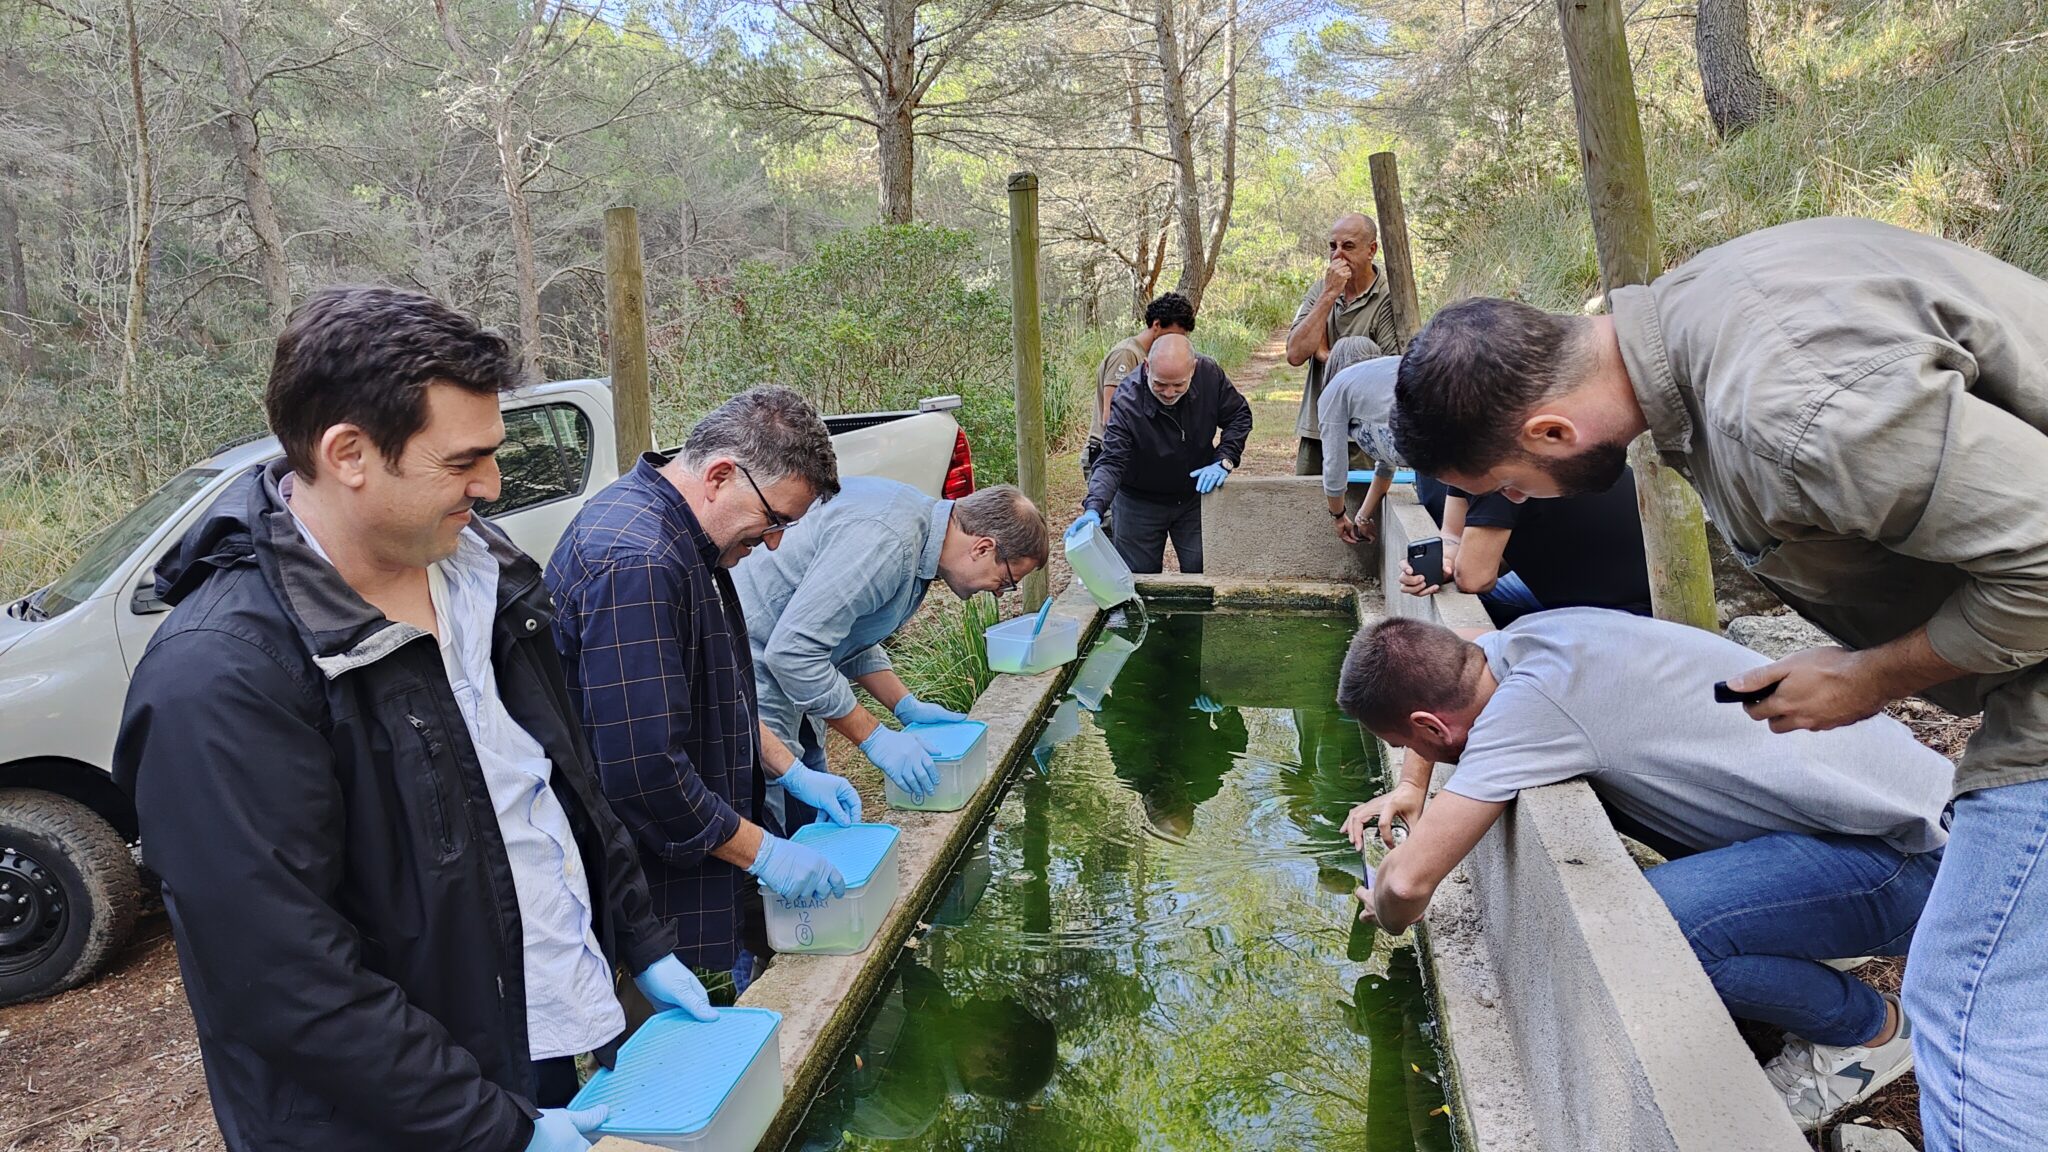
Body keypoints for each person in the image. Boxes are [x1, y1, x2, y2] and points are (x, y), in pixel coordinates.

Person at [1387, 217, 2048, 1151]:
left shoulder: (1788, 418)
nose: (1525, 505)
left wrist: (1870, 675)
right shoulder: (1710, 299)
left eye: (1518, 486)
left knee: (1975, 1025)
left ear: (1550, 429)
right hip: (1988, 715)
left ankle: (1875, 1044)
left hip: (2028, 723)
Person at [112, 286, 713, 1152]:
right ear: (350, 452)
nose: (493, 484)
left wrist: (641, 939)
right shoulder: (222, 678)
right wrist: (492, 1129)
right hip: (388, 1119)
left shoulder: (485, 575)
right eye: (462, 461)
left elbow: (553, 781)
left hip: (524, 1043)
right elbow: (285, 980)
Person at [1337, 611, 1953, 1131]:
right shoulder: (1519, 642)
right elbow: (1454, 672)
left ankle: (1868, 1033)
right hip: (1914, 815)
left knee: (1649, 934)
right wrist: (1415, 784)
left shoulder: (1527, 710)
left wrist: (1382, 910)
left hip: (1911, 865)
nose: (1415, 757)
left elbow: (1406, 883)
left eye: (1410, 745)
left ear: (1427, 725)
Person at [547, 387, 860, 1002]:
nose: (773, 543)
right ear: (720, 475)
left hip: (694, 829)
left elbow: (722, 695)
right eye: (775, 521)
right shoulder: (637, 560)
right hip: (631, 870)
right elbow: (644, 772)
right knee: (654, 1024)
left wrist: (792, 770)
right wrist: (765, 852)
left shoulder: (692, 539)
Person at [734, 478, 1049, 816]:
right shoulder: (890, 542)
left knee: (809, 812)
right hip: (747, 666)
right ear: (983, 548)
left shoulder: (923, 540)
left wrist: (903, 704)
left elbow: (849, 630)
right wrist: (875, 738)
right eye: (1006, 581)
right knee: (769, 812)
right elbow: (792, 653)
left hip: (790, 674)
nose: (1000, 593)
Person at [1071, 333, 1252, 575]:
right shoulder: (1127, 400)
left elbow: (1239, 416)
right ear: (1147, 367)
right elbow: (1112, 461)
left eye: (1178, 385)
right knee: (1137, 580)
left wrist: (1224, 460)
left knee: (1205, 572)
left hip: (1194, 494)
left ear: (1193, 369)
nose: (1168, 393)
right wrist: (1094, 507)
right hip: (1137, 500)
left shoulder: (1210, 376)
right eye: (1160, 384)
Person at [1286, 213, 1403, 476]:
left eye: (1348, 246)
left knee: (1362, 512)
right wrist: (1328, 296)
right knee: (1308, 508)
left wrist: (1327, 354)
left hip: (1365, 434)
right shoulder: (1321, 290)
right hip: (1317, 428)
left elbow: (1387, 369)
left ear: (1371, 249)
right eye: (1332, 246)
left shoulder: (1388, 297)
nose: (1337, 255)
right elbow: (1295, 354)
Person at [1088, 292, 1197, 486]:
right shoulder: (1127, 355)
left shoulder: (1155, 358)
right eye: (1174, 335)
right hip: (1108, 457)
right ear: (1157, 325)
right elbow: (1110, 415)